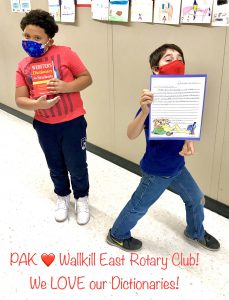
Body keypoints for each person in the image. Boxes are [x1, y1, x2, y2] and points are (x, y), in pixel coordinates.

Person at [107, 43, 220, 252]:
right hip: (157, 170)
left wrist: (189, 142)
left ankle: (195, 231)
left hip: (177, 165)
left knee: (196, 198)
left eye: (180, 58)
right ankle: (117, 234)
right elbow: (131, 134)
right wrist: (144, 111)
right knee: (139, 205)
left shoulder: (183, 99)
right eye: (169, 59)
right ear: (155, 69)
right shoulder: (151, 103)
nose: (176, 62)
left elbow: (186, 129)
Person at [15, 9, 92, 225]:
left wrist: (66, 86)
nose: (30, 41)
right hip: (44, 125)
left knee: (77, 164)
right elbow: (20, 99)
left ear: (49, 40)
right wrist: (35, 104)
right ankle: (62, 196)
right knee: (55, 164)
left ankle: (81, 197)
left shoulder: (66, 54)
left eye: (37, 38)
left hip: (72, 123)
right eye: (26, 36)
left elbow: (87, 79)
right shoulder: (23, 65)